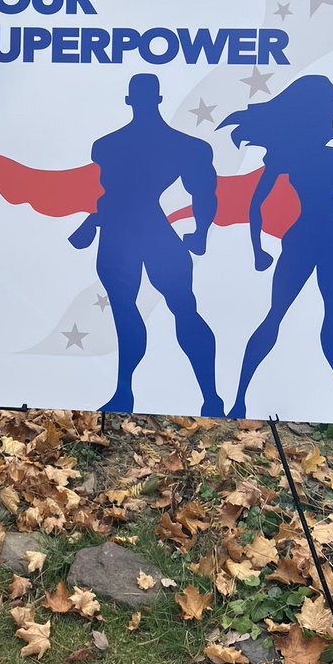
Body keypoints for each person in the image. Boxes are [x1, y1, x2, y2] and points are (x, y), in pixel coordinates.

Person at [69, 73, 223, 416]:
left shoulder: (108, 146)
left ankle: (208, 396)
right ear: (157, 99)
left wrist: (200, 232)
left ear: (130, 100)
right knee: (167, 308)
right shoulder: (184, 146)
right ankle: (134, 391)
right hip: (134, 231)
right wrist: (198, 232)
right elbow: (204, 194)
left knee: (161, 309)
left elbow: (204, 194)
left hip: (126, 232)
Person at [219, 75, 333, 425]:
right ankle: (239, 400)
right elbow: (255, 204)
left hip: (331, 244)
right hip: (303, 242)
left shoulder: (327, 152)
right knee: (275, 317)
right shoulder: (288, 155)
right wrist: (257, 249)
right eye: (330, 108)